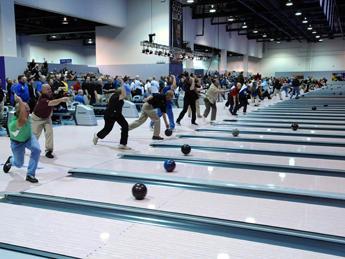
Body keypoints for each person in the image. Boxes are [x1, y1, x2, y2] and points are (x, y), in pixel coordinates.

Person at [3, 95, 41, 183]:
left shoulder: (27, 116)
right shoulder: (13, 124)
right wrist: (20, 101)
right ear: (19, 112)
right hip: (17, 143)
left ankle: (30, 174)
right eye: (26, 110)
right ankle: (10, 160)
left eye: (28, 109)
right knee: (19, 164)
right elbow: (22, 120)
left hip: (29, 137)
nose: (29, 111)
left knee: (36, 150)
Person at [31, 84, 69, 159]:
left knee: (49, 133)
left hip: (47, 118)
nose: (50, 90)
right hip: (37, 119)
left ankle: (49, 150)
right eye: (48, 89)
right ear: (43, 91)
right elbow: (51, 103)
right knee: (35, 136)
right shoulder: (42, 99)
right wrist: (61, 99)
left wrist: (59, 89)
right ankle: (26, 146)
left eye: (50, 89)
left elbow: (54, 95)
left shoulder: (50, 95)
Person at [93, 79, 131, 149]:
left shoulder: (115, 95)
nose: (126, 93)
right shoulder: (117, 96)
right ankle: (97, 136)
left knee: (125, 126)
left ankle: (122, 144)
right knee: (107, 129)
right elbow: (124, 94)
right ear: (120, 92)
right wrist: (122, 83)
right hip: (109, 115)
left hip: (117, 114)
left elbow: (124, 94)